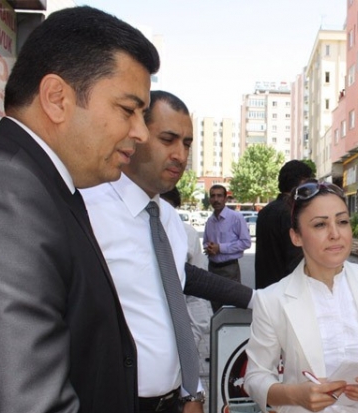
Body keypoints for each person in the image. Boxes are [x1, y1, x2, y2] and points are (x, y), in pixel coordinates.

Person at [0, 7, 159, 413]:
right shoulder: (8, 189)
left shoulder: (44, 186)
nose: (141, 133)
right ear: (56, 98)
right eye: (127, 109)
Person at [82, 90, 253, 413]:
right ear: (135, 134)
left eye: (187, 144)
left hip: (173, 401)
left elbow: (176, 302)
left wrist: (192, 392)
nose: (180, 155)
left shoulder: (170, 220)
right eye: (168, 139)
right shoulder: (88, 210)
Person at [245, 179, 358, 412]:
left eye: (342, 222)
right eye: (320, 225)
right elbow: (256, 377)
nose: (335, 234)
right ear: (296, 236)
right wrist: (296, 395)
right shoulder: (272, 299)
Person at [161, 187, 213, 346]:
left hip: (179, 326)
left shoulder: (187, 233)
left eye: (169, 207)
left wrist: (194, 336)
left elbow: (197, 292)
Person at [255, 159, 313, 289]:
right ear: (302, 182)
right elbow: (296, 260)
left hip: (266, 288)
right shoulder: (293, 212)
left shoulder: (265, 211)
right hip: (288, 291)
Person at [204, 184, 252, 311]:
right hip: (212, 269)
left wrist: (220, 248)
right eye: (213, 196)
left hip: (229, 269)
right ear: (209, 199)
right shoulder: (210, 221)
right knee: (215, 306)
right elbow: (205, 242)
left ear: (225, 198)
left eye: (219, 196)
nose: (216, 199)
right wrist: (209, 248)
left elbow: (246, 242)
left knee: (230, 307)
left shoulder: (236, 218)